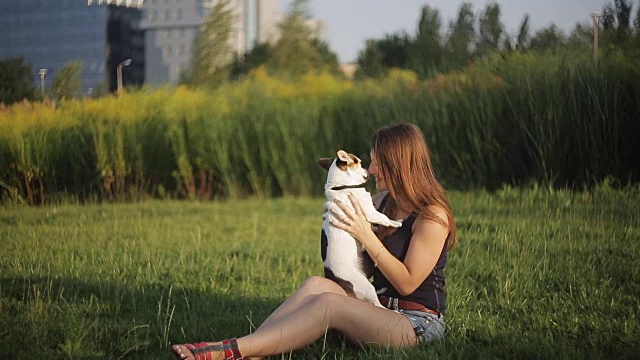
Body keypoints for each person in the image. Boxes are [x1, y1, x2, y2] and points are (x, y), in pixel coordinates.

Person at [170, 122, 457, 360]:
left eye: (378, 162)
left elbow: (407, 282)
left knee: (329, 304)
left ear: (399, 165)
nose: (370, 170)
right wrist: (342, 230)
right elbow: (368, 267)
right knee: (315, 285)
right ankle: (252, 350)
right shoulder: (382, 203)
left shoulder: (432, 216)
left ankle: (228, 351)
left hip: (416, 323)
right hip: (378, 308)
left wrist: (366, 234)